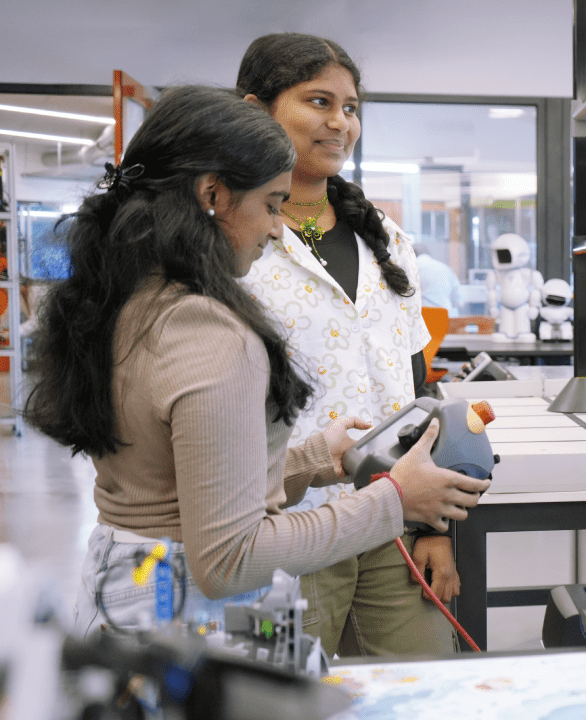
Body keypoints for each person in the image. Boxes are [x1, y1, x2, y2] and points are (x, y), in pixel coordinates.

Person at [21, 85, 488, 637]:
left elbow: (179, 486)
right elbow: (228, 560)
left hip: (128, 585)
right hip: (192, 616)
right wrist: (396, 498)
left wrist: (315, 458)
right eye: (270, 204)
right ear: (212, 194)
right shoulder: (214, 334)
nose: (274, 228)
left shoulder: (129, 300)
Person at [237, 33, 461, 657]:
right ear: (257, 110)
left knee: (421, 688)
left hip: (395, 516)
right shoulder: (229, 237)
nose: (340, 123)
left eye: (351, 107)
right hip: (284, 527)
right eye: (319, 102)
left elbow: (416, 390)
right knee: (291, 695)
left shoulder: (386, 238)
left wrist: (433, 525)